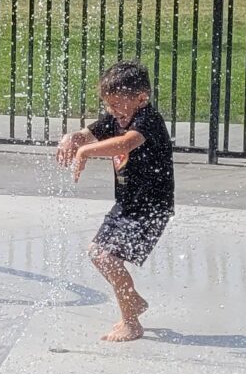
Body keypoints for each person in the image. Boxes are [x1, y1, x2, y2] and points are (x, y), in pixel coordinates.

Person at [55, 60, 175, 344]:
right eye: (108, 105)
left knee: (107, 257)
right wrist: (73, 139)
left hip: (150, 207)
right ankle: (132, 302)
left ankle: (131, 322)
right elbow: (87, 134)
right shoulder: (117, 118)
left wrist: (84, 152)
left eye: (118, 104)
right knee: (99, 253)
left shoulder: (147, 120)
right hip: (126, 205)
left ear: (141, 98)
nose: (112, 112)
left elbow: (124, 144)